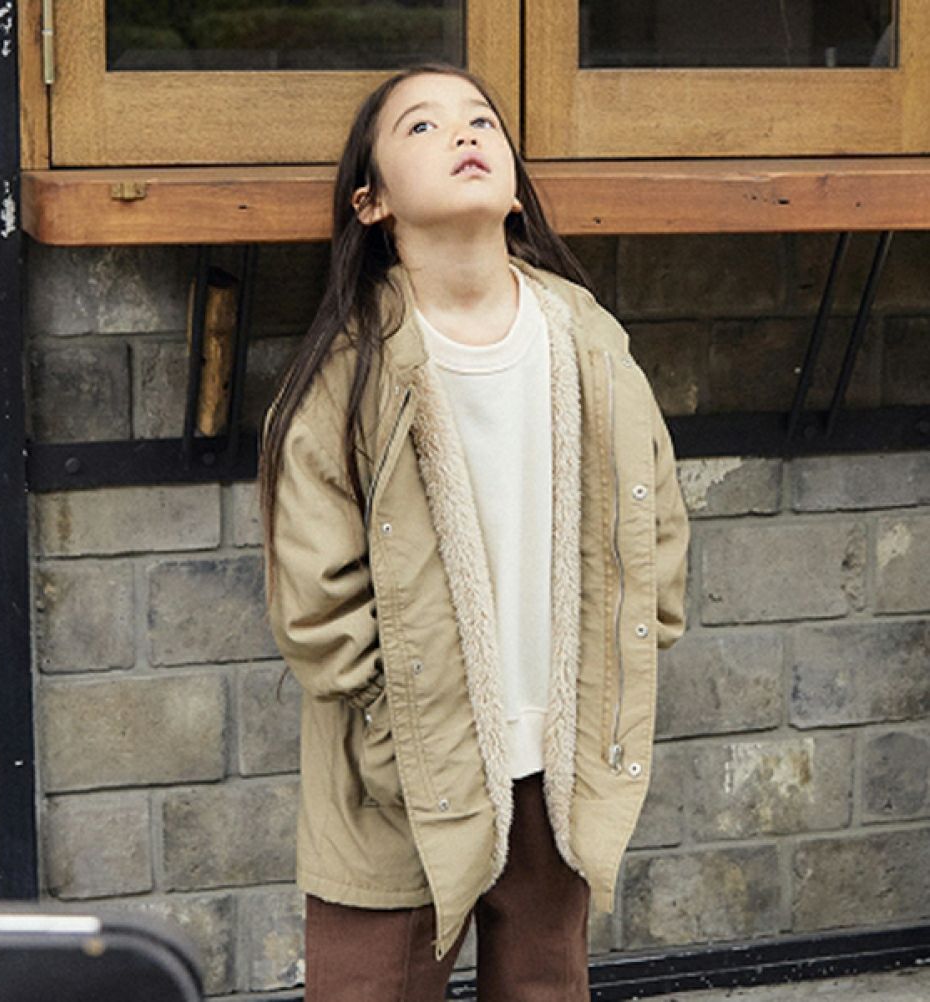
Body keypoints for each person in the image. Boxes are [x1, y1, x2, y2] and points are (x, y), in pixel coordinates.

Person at [258, 62, 690, 1002]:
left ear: (515, 184)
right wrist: (394, 730)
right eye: (420, 126)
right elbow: (316, 600)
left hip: (556, 766)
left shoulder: (588, 342)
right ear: (371, 203)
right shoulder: (348, 375)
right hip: (397, 776)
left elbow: (653, 518)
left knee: (544, 983)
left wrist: (628, 657)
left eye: (481, 121)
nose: (462, 134)